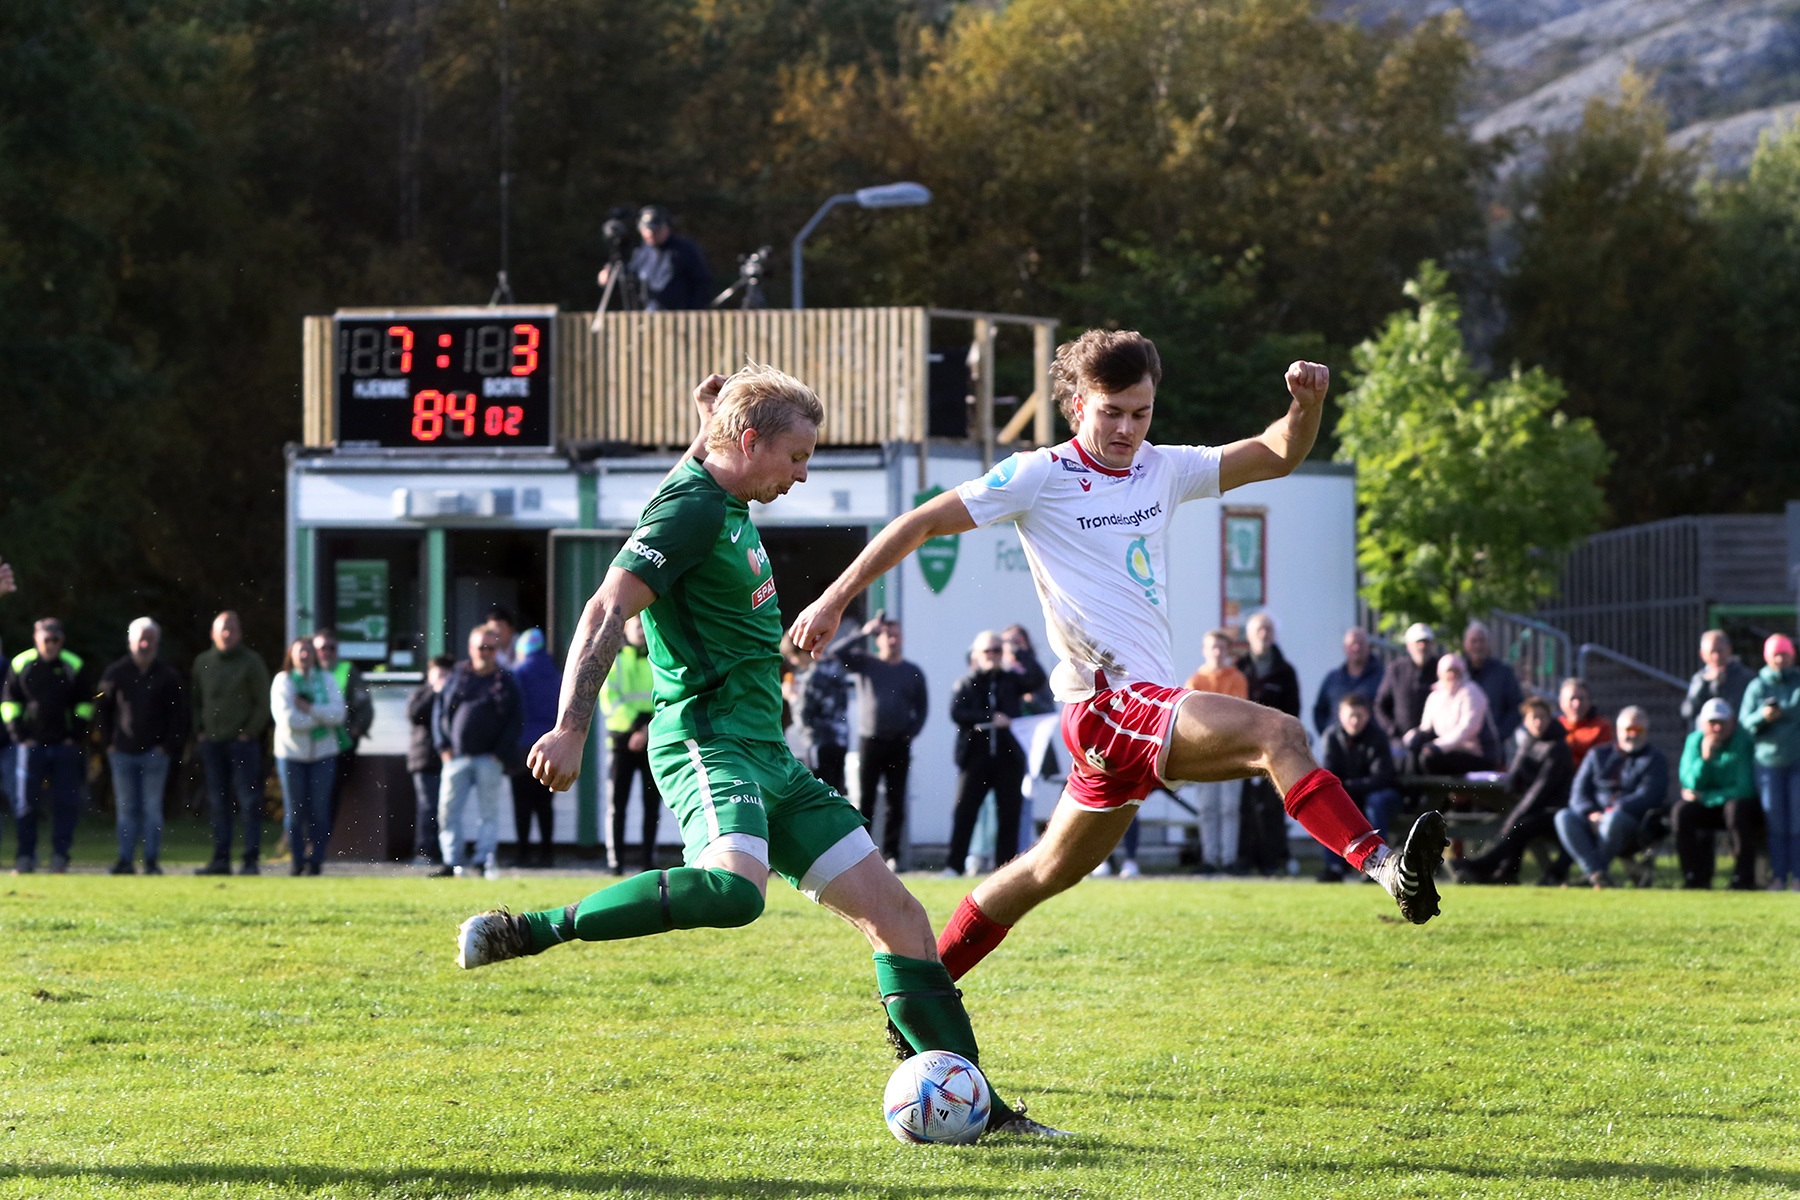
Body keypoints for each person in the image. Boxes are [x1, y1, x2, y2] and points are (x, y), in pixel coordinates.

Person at [458, 366, 1064, 1138]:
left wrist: (707, 415)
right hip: (711, 744)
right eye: (797, 456)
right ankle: (533, 929)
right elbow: (608, 606)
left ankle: (985, 1114)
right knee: (736, 893)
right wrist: (571, 724)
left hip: (771, 755)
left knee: (905, 922)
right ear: (749, 442)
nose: (803, 474)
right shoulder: (690, 511)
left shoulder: (722, 490)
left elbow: (702, 465)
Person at [790, 329, 1447, 990]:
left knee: (1045, 871)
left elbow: (1277, 454)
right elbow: (922, 521)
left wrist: (1305, 407)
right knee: (1280, 734)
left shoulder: (1164, 467)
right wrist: (833, 599)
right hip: (1109, 705)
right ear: (1078, 406)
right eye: (1112, 412)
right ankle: (1385, 864)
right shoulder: (1040, 475)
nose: (1127, 428)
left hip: (1133, 713)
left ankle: (920, 993)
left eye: (1141, 412)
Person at [827, 615, 929, 872]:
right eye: (886, 635)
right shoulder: (866, 664)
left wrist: (911, 732)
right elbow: (835, 653)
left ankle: (892, 855)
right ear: (879, 639)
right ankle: (863, 855)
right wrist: (864, 632)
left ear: (902, 638)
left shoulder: (912, 671)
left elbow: (922, 707)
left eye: (896, 635)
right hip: (870, 741)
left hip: (898, 743)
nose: (892, 640)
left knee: (896, 802)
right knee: (866, 800)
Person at [945, 631, 1047, 877]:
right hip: (975, 758)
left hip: (1008, 758)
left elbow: (1038, 677)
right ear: (977, 654)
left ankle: (1004, 869)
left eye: (997, 650)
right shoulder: (967, 683)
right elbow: (958, 712)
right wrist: (990, 718)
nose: (992, 655)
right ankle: (954, 865)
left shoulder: (1011, 680)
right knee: (965, 811)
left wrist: (1018, 650)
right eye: (987, 651)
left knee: (1009, 814)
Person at [95, 617, 189, 875]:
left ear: (157, 642)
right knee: (126, 809)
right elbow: (101, 708)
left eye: (150, 639)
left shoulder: (168, 676)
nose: (145, 644)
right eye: (141, 639)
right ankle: (125, 860)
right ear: (130, 642)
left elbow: (179, 716)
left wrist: (167, 747)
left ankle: (151, 860)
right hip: (121, 753)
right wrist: (108, 744)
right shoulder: (115, 673)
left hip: (155, 755)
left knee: (151, 809)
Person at [1447, 696, 1574, 885]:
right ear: (1526, 722)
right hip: (1533, 808)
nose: (1539, 722)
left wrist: (1517, 812)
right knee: (1514, 822)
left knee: (1518, 825)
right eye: (1534, 718)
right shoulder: (1528, 743)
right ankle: (1505, 872)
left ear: (1550, 718)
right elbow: (1513, 779)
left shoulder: (1558, 748)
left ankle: (1481, 866)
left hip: (1556, 812)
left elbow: (1541, 789)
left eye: (1542, 717)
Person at [2, 618, 95, 874]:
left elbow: (85, 704)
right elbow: (9, 703)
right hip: (30, 747)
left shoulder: (72, 665)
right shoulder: (21, 664)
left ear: (62, 640)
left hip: (63, 747)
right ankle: (25, 856)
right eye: (46, 639)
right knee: (26, 803)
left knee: (65, 802)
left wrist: (74, 735)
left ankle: (60, 856)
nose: (51, 645)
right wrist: (19, 735)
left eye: (55, 640)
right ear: (36, 638)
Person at [433, 623, 523, 880]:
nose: (486, 652)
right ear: (470, 649)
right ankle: (452, 862)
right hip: (456, 757)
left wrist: (500, 753)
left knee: (488, 813)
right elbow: (439, 713)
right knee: (448, 812)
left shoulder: (506, 680)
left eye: (491, 647)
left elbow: (516, 720)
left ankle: (484, 860)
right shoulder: (457, 676)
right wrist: (443, 747)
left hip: (489, 758)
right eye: (481, 647)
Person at [191, 611, 271, 876]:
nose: (227, 634)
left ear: (240, 633)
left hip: (242, 745)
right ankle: (220, 860)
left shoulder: (251, 663)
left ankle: (250, 860)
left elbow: (263, 702)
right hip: (212, 744)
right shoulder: (203, 662)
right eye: (223, 629)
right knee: (218, 803)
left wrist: (248, 733)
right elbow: (195, 700)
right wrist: (200, 730)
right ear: (213, 634)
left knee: (249, 802)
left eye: (232, 629)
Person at [1554, 707, 1669, 889]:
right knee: (1563, 817)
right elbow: (1578, 792)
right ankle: (1597, 874)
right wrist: (1590, 813)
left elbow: (1649, 796)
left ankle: (1592, 874)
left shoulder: (1654, 759)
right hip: (1592, 819)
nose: (1632, 734)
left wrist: (1612, 810)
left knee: (1613, 819)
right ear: (1618, 730)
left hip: (1631, 824)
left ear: (1646, 731)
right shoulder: (1597, 755)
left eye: (1637, 729)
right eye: (1627, 729)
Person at [1235, 611, 1302, 875]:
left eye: (1268, 630)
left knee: (1272, 804)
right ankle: (1243, 859)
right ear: (1249, 635)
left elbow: (1293, 711)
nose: (1264, 634)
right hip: (1240, 747)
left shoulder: (1285, 672)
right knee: (1244, 805)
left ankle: (1272, 861)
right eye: (1259, 629)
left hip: (1275, 750)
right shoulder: (1239, 669)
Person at [271, 637, 345, 875]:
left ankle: (316, 861)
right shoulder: (283, 681)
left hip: (324, 754)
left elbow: (338, 715)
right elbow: (287, 720)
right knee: (295, 811)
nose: (304, 656)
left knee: (320, 810)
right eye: (299, 652)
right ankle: (297, 860)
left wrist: (310, 709)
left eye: (308, 651)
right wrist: (319, 719)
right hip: (291, 754)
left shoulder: (327, 680)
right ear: (291, 655)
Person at [1673, 698, 1761, 890]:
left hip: (1737, 809)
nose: (1717, 728)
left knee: (1735, 809)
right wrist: (1705, 759)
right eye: (1713, 723)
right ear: (1703, 724)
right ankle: (1694, 877)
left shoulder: (1742, 741)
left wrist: (1705, 797)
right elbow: (1689, 783)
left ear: (1732, 722)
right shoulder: (1695, 741)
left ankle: (1743, 878)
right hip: (1710, 808)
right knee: (1682, 812)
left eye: (1722, 723)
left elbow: (1745, 789)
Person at [599, 615, 661, 874]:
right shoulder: (614, 660)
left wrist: (647, 729)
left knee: (652, 806)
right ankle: (616, 863)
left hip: (653, 739)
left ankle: (647, 861)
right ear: (626, 629)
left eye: (645, 626)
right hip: (622, 742)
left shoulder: (659, 658)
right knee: (617, 805)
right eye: (637, 626)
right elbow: (609, 699)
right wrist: (637, 726)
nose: (642, 632)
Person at [1183, 628, 1248, 874]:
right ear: (1204, 651)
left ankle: (1229, 858)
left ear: (1228, 652)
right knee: (1207, 807)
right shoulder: (1195, 680)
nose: (1218, 653)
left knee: (1230, 807)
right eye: (1213, 648)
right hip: (1204, 752)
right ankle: (1210, 858)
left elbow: (1238, 713)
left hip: (1232, 749)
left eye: (1222, 648)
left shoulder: (1237, 677)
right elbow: (1191, 715)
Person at [1739, 633, 1800, 890]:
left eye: (1784, 653)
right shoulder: (1757, 686)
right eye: (1775, 654)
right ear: (1767, 656)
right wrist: (1764, 716)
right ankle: (1777, 876)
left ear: (1792, 655)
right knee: (1775, 823)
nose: (1780, 658)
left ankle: (1798, 877)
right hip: (1768, 764)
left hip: (1797, 760)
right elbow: (1745, 722)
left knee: (1797, 821)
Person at [1319, 692, 1402, 882]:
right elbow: (1330, 774)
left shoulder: (1378, 737)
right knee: (1328, 804)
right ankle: (1334, 867)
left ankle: (1377, 865)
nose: (1355, 721)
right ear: (1341, 716)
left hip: (1380, 795)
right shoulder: (1332, 737)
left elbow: (1382, 778)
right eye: (1351, 716)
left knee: (1376, 802)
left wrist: (1347, 787)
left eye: (1360, 716)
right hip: (1350, 794)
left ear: (1368, 715)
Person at [313, 630, 373, 836]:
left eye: (332, 648)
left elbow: (364, 706)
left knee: (330, 794)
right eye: (322, 648)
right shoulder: (305, 672)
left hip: (340, 744)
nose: (327, 652)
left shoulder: (347, 670)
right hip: (311, 744)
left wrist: (356, 730)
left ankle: (321, 843)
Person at [599, 205, 713, 312]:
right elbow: (629, 280)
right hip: (649, 315)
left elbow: (702, 282)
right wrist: (609, 277)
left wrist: (694, 311)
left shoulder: (685, 249)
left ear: (667, 227)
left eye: (656, 229)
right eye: (648, 229)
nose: (651, 234)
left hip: (681, 315)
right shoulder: (640, 252)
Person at [511, 628, 561, 867]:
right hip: (550, 744)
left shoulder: (517, 674)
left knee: (522, 802)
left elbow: (514, 710)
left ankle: (522, 853)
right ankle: (547, 853)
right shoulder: (555, 675)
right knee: (544, 803)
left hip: (522, 744)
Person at [1404, 653, 1491, 775]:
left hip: (1472, 752)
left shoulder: (1471, 691)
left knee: (1428, 758)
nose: (1452, 675)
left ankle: (1437, 792)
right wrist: (1412, 738)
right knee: (1412, 755)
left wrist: (1438, 746)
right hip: (1444, 749)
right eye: (1448, 671)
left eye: (1456, 671)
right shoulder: (1435, 696)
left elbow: (1467, 729)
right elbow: (1426, 727)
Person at [407, 656, 455, 867]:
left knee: (446, 807)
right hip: (425, 759)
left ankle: (442, 851)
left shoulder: (454, 692)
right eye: (439, 675)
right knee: (429, 806)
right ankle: (425, 851)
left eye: (447, 675)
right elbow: (414, 714)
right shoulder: (423, 693)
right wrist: (434, 692)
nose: (443, 679)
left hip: (449, 758)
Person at [794, 639, 851, 794]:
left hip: (819, 742)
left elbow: (804, 715)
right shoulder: (837, 669)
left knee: (821, 793)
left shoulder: (812, 676)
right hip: (840, 738)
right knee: (837, 792)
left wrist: (792, 698)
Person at [1312, 627, 1384, 738]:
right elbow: (1320, 710)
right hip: (1338, 747)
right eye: (1352, 644)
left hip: (1372, 745)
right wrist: (1328, 734)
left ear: (1368, 647)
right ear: (1344, 648)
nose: (1356, 648)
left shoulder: (1382, 676)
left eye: (1360, 643)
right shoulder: (1333, 678)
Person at [1374, 623, 1437, 749]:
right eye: (1418, 642)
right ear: (1409, 646)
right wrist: (1392, 731)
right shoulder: (1396, 669)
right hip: (1401, 742)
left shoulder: (1440, 669)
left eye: (1426, 642)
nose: (1422, 646)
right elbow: (1380, 705)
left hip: (1432, 743)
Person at [1462, 621, 1524, 745]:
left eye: (1481, 641)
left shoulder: (1503, 672)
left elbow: (1516, 707)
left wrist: (1499, 734)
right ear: (1465, 645)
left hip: (1493, 749)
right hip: (1461, 745)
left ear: (1489, 644)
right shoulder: (1459, 673)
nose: (1478, 646)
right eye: (1473, 641)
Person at [1681, 629, 1754, 727]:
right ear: (1702, 654)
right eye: (1712, 652)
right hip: (1707, 735)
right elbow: (1688, 711)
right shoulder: (1699, 679)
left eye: (1720, 651)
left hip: (1737, 735)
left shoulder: (1746, 676)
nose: (1716, 656)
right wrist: (1705, 683)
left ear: (1729, 650)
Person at [1557, 677, 1612, 769]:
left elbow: (1601, 763)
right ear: (1561, 702)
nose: (1577, 704)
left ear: (1589, 701)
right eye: (1572, 699)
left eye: (1581, 699)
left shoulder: (1601, 726)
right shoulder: (1555, 726)